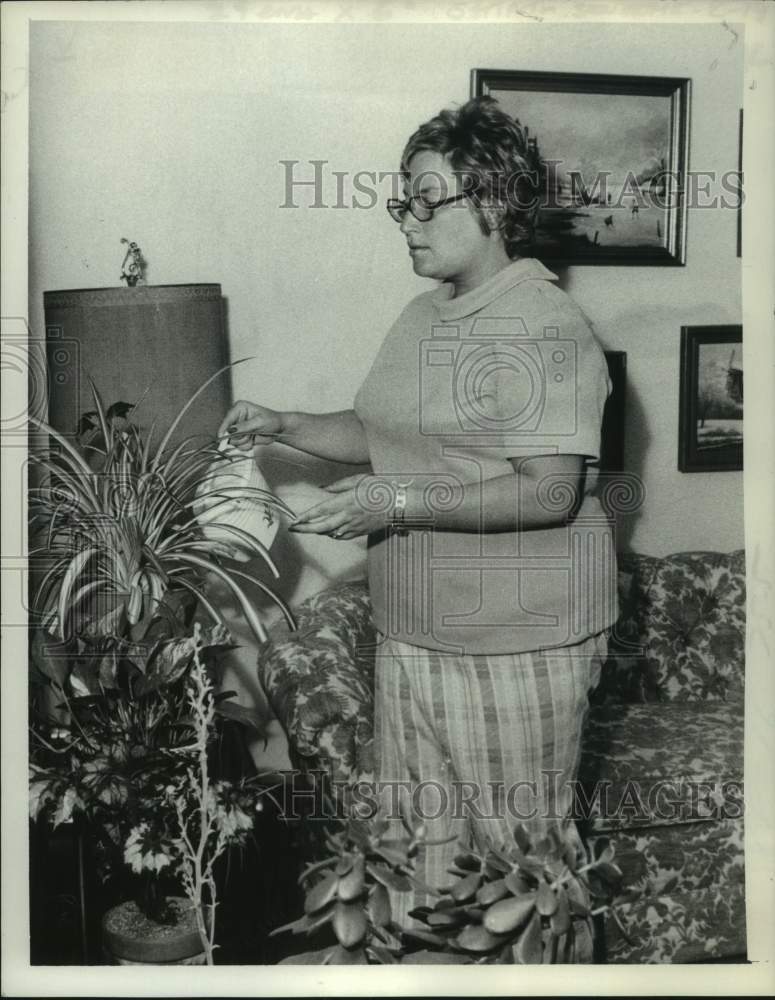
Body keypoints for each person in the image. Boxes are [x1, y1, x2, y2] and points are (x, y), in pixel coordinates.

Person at [218, 96, 617, 929]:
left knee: (518, 877)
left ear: (496, 203)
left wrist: (393, 501)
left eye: (428, 200)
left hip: (517, 641)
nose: (408, 220)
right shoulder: (422, 314)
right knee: (421, 866)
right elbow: (380, 430)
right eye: (404, 200)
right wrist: (287, 423)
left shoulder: (545, 323)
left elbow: (550, 488)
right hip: (411, 631)